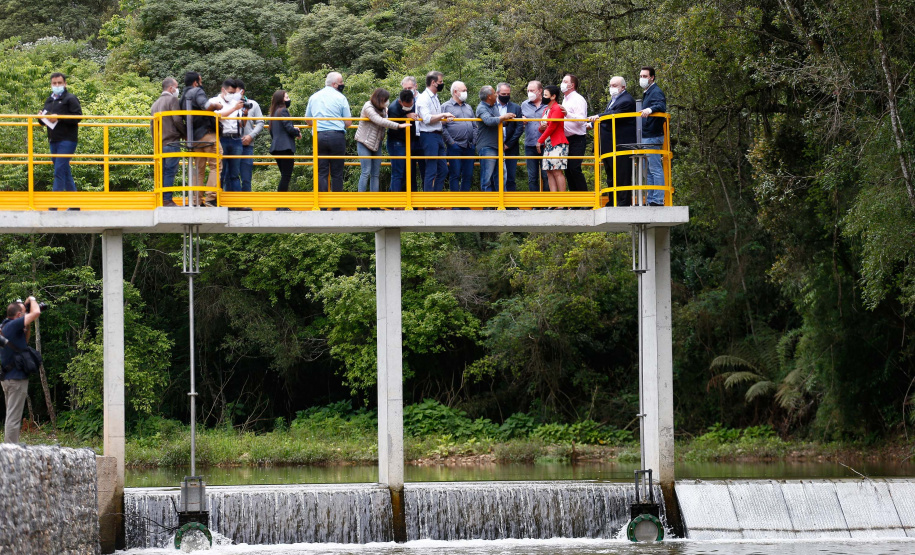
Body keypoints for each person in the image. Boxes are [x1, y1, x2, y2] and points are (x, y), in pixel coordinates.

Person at [179, 71, 239, 206]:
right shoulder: (197, 92)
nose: (202, 84)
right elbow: (207, 106)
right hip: (207, 135)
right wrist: (218, 106)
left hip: (193, 138)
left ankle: (196, 200)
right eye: (200, 81)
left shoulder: (183, 97)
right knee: (215, 166)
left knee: (199, 169)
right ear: (195, 82)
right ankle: (211, 198)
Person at [305, 72, 351, 205]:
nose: (342, 84)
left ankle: (322, 204)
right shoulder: (341, 97)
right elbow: (348, 123)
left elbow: (308, 120)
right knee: (337, 172)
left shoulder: (314, 97)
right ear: (334, 84)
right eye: (341, 82)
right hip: (336, 136)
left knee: (321, 171)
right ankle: (336, 204)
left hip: (319, 136)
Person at [589, 76, 636, 206]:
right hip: (609, 144)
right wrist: (593, 124)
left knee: (622, 173)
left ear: (623, 87)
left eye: (615, 85)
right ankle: (613, 200)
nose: (612, 88)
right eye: (610, 85)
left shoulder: (626, 100)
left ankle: (623, 202)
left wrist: (597, 117)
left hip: (620, 143)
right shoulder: (613, 100)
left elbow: (612, 116)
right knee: (611, 174)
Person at [354, 88, 409, 196]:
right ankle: (361, 202)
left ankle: (375, 202)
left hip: (376, 143)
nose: (387, 102)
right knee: (366, 172)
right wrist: (398, 125)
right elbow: (379, 120)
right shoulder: (368, 106)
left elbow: (386, 118)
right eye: (385, 100)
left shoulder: (383, 108)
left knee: (375, 174)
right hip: (364, 142)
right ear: (379, 99)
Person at [1, 298, 41, 444]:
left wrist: (27, 324)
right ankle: (10, 453)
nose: (27, 314)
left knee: (12, 415)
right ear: (18, 315)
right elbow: (36, 312)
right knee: (14, 418)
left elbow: (24, 342)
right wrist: (32, 299)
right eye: (24, 313)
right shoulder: (13, 324)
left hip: (8, 378)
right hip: (16, 379)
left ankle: (9, 449)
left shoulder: (5, 326)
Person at [39, 72, 82, 201]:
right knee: (64, 171)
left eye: (59, 83)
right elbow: (43, 121)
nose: (57, 85)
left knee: (59, 170)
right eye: (54, 83)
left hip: (67, 140)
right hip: (54, 140)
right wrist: (41, 117)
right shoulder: (50, 99)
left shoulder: (70, 98)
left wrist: (59, 118)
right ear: (51, 84)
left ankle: (54, 204)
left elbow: (78, 117)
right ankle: (74, 204)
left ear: (65, 84)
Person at [415, 71, 455, 192]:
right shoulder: (423, 98)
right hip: (428, 136)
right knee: (431, 170)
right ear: (433, 82)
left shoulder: (435, 97)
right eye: (440, 82)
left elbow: (435, 118)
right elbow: (427, 119)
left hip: (438, 135)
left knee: (443, 170)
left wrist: (444, 120)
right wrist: (443, 114)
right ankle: (429, 202)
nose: (442, 84)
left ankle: (435, 199)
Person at [475, 86, 516, 193]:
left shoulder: (494, 106)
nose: (496, 95)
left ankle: (501, 203)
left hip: (498, 145)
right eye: (494, 93)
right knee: (487, 177)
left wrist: (507, 119)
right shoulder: (481, 108)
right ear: (489, 96)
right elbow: (488, 121)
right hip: (487, 146)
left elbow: (498, 121)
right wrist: (503, 117)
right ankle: (487, 204)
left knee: (502, 176)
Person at [150, 77, 183, 207]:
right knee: (170, 171)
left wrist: (155, 143)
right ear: (171, 88)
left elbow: (152, 126)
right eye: (177, 87)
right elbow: (177, 120)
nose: (177, 90)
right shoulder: (172, 100)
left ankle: (161, 198)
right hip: (172, 141)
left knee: (162, 172)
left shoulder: (155, 103)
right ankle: (167, 199)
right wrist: (185, 133)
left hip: (160, 144)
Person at [639, 66, 668, 206]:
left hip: (653, 134)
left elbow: (661, 105)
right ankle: (651, 199)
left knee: (655, 168)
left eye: (645, 76)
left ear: (652, 77)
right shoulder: (648, 92)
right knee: (648, 170)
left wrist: (650, 109)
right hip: (647, 134)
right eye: (641, 76)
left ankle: (657, 199)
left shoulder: (656, 91)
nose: (642, 79)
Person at [211, 78, 246, 195]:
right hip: (221, 139)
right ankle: (217, 200)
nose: (232, 95)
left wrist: (244, 113)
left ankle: (236, 203)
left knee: (235, 174)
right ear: (223, 90)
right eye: (230, 93)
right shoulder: (214, 101)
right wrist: (234, 109)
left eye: (233, 93)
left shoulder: (235, 103)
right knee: (220, 172)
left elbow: (241, 123)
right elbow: (217, 116)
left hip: (236, 139)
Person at [441, 81, 476, 193]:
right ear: (455, 92)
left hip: (469, 146)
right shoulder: (445, 107)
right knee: (455, 174)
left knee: (468, 175)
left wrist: (474, 141)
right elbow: (441, 127)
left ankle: (464, 203)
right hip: (454, 146)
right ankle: (455, 203)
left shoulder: (468, 107)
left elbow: (475, 126)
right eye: (464, 90)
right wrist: (451, 142)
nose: (466, 92)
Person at [268, 90, 301, 205]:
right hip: (285, 147)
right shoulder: (283, 111)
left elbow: (272, 132)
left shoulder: (273, 113)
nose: (288, 99)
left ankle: (281, 203)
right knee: (286, 176)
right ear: (281, 100)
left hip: (277, 147)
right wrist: (297, 132)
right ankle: (281, 204)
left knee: (284, 175)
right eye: (287, 97)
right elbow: (288, 127)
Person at [387, 89, 423, 193]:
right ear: (400, 102)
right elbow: (393, 125)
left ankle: (406, 200)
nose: (410, 107)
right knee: (398, 172)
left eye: (411, 104)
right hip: (396, 142)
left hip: (411, 141)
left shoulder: (415, 103)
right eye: (407, 105)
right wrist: (405, 117)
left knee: (409, 172)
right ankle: (395, 202)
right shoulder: (393, 108)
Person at [560, 74, 589, 195]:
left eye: (564, 81)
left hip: (577, 138)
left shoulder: (578, 99)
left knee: (574, 168)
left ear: (572, 85)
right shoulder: (565, 99)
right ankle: (575, 201)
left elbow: (582, 120)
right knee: (567, 170)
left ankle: (585, 199)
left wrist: (567, 114)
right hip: (566, 139)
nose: (562, 83)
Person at [537, 85, 568, 194]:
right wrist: (541, 128)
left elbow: (552, 126)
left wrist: (539, 140)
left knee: (557, 171)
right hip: (548, 144)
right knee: (549, 172)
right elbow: (543, 127)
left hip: (558, 143)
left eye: (545, 95)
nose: (543, 97)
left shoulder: (557, 108)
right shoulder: (546, 109)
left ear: (553, 96)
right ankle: (554, 200)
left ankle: (562, 201)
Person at [236, 80, 265, 193]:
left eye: (235, 91)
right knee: (230, 176)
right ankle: (231, 203)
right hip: (231, 143)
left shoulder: (253, 104)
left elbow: (261, 122)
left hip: (247, 145)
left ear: (242, 91)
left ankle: (246, 204)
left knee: (246, 177)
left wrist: (251, 136)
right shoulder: (228, 105)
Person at [494, 83, 524, 192]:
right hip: (494, 146)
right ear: (497, 93)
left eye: (508, 94)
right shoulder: (491, 107)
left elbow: (519, 128)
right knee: (494, 176)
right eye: (503, 94)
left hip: (510, 147)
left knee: (510, 177)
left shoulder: (516, 107)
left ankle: (511, 205)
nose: (506, 95)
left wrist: (508, 144)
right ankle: (493, 205)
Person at [521, 81, 549, 192]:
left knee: (546, 175)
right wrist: (521, 121)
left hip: (546, 145)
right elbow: (519, 123)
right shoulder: (524, 105)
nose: (529, 93)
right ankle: (535, 205)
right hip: (530, 144)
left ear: (540, 91)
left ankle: (548, 204)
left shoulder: (548, 105)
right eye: (528, 91)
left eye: (532, 90)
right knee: (532, 177)